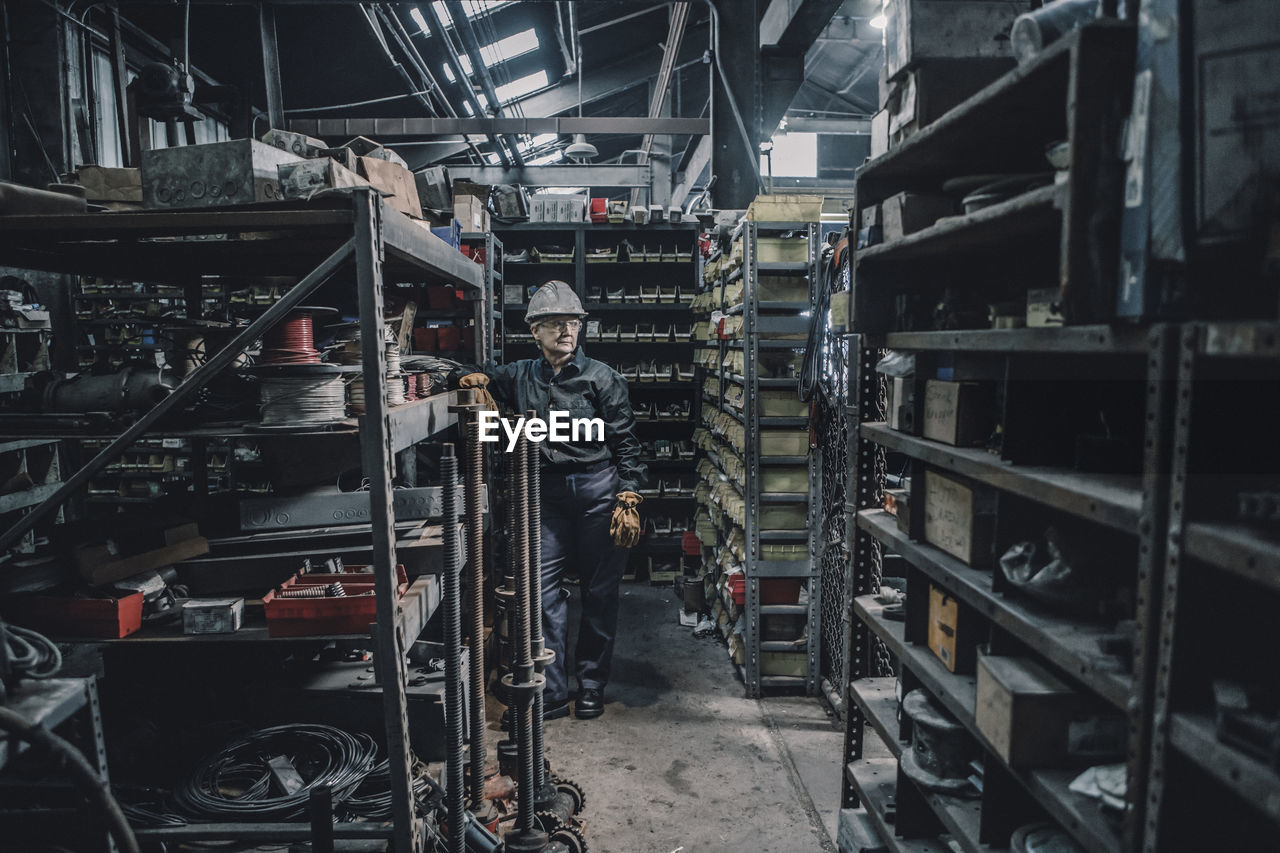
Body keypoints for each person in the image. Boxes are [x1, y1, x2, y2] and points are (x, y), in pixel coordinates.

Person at [459, 280, 646, 720]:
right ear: (535, 332)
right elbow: (468, 372)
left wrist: (630, 493)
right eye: (555, 324)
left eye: (573, 323)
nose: (566, 331)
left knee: (600, 592)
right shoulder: (518, 375)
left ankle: (592, 686)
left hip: (599, 490)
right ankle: (554, 691)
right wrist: (467, 378)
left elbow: (626, 442)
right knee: (540, 593)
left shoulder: (602, 378)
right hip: (544, 493)